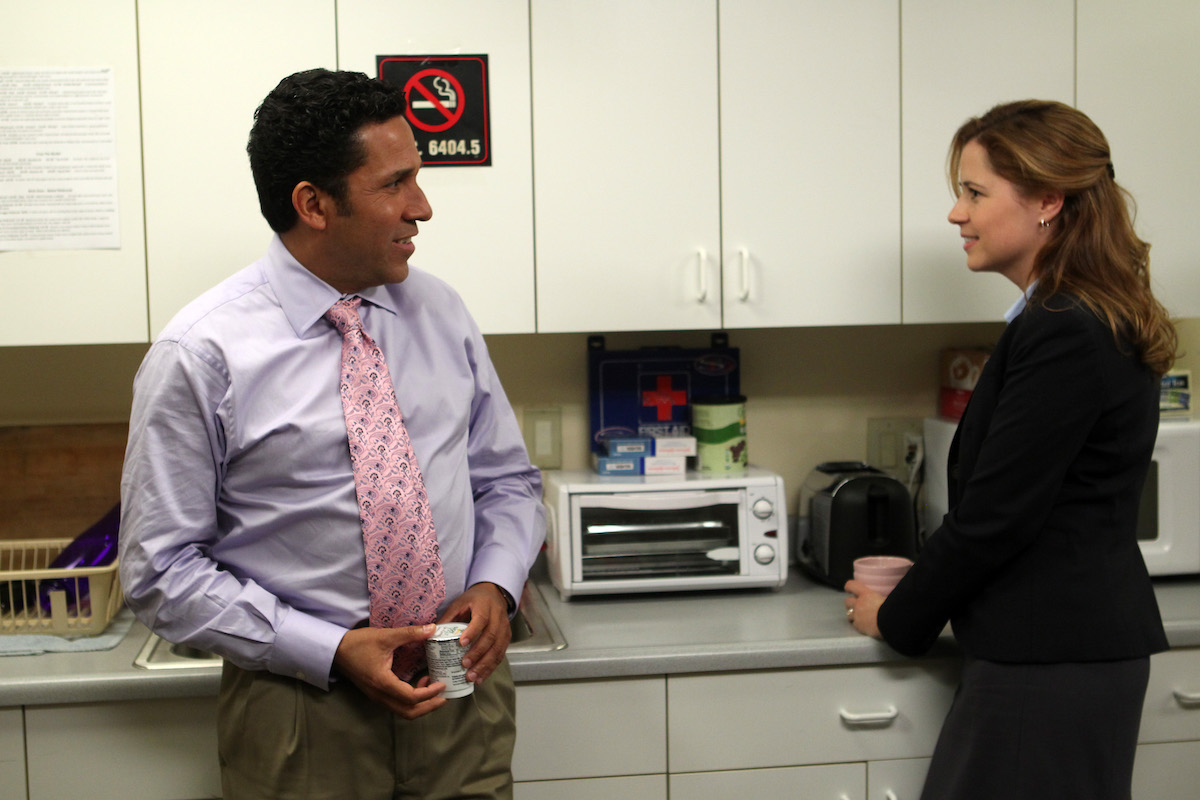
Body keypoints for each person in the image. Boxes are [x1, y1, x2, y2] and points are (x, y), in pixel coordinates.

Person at [119, 68, 545, 800]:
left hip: (457, 689)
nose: (423, 208)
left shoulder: (440, 313)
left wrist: (495, 585)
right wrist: (332, 649)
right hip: (302, 710)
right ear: (313, 205)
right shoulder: (202, 353)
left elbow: (506, 480)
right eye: (395, 184)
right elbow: (160, 571)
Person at [843, 99, 1177, 800]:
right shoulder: (1074, 314)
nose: (955, 214)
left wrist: (898, 617)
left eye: (974, 192)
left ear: (1049, 201)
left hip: (1049, 666)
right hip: (1063, 654)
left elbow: (996, 515)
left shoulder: (1065, 328)